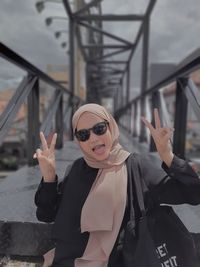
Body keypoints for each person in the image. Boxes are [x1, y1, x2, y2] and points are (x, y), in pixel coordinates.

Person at [34, 103, 200, 267]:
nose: (93, 138)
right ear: (78, 141)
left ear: (111, 126)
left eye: (99, 129)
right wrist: (49, 178)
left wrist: (168, 156)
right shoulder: (77, 169)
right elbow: (46, 214)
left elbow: (194, 193)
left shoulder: (135, 167)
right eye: (83, 135)